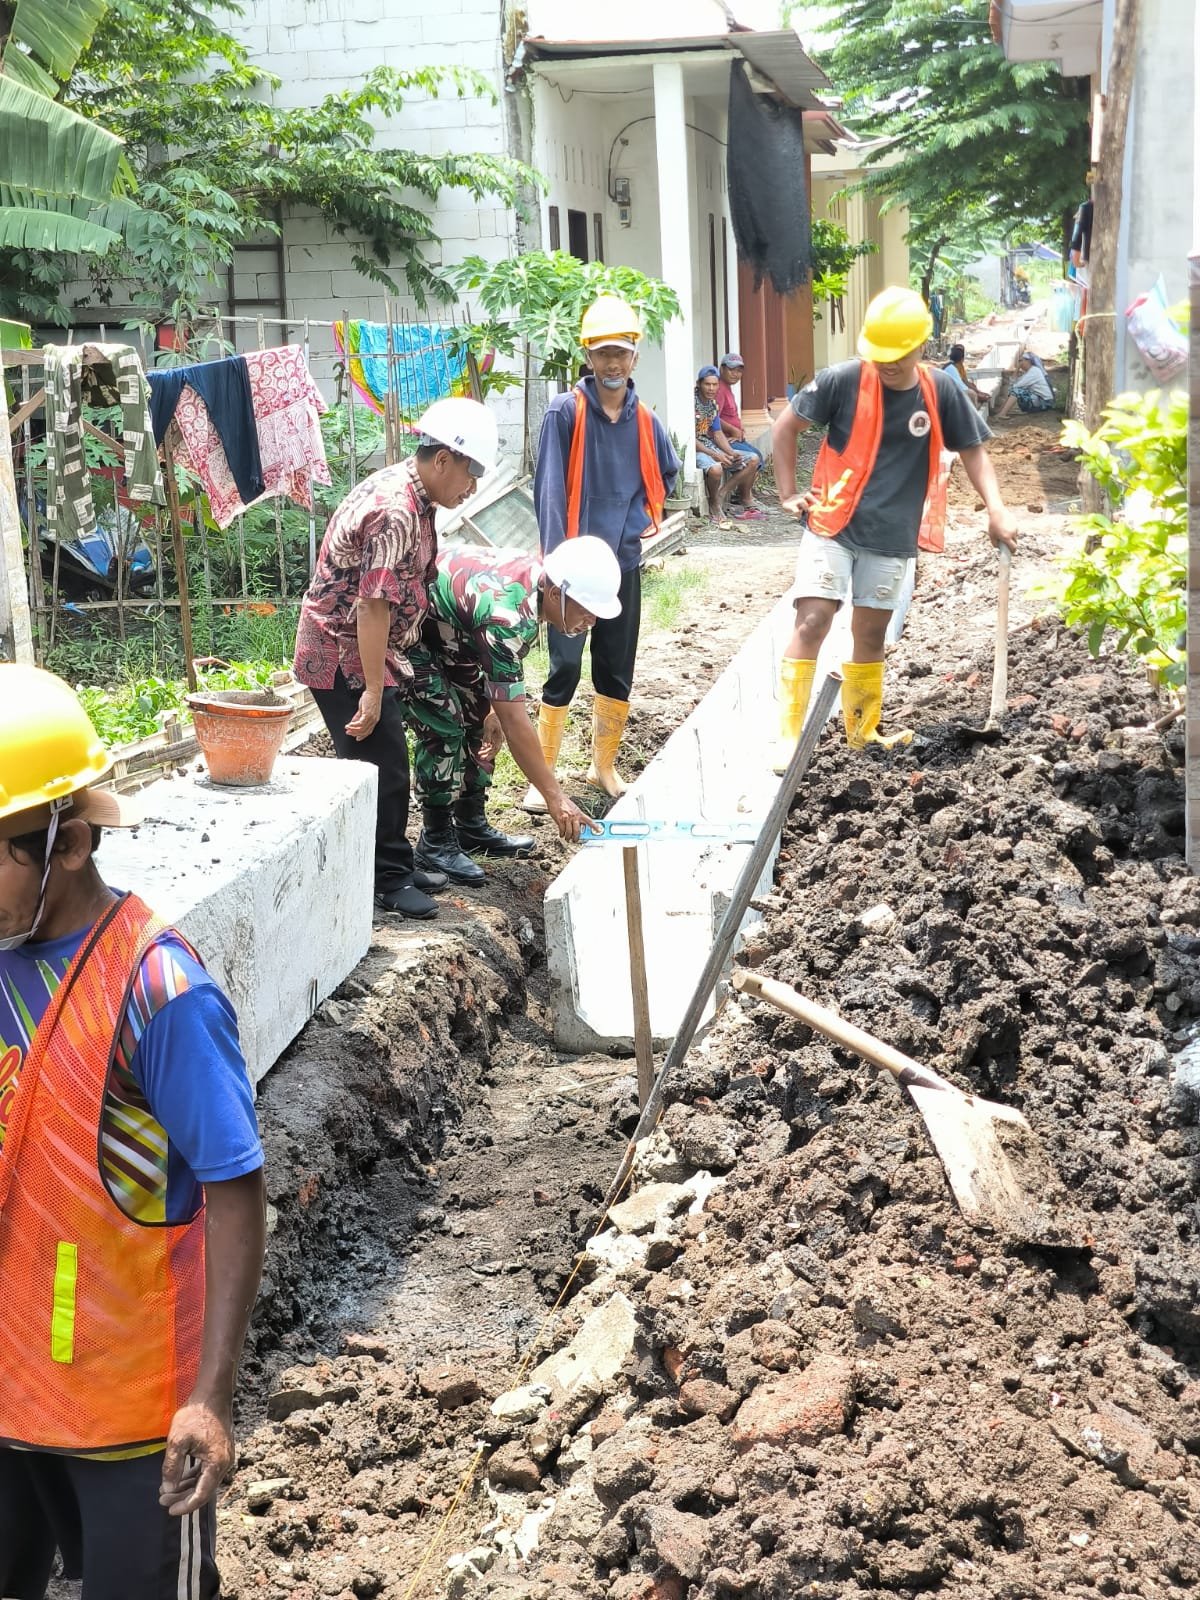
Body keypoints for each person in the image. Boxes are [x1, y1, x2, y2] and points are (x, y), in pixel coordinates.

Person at [0, 664, 266, 1600]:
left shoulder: (159, 992)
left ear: (66, 844)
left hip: (127, 1417)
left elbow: (235, 1186)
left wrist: (211, 1395)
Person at [770, 285, 1019, 765]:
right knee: (814, 619)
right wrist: (786, 493)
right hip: (831, 524)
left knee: (870, 635)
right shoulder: (843, 380)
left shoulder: (939, 389)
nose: (887, 364)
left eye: (898, 355)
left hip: (891, 536)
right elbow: (785, 428)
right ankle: (789, 735)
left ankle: (863, 735)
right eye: (879, 354)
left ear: (919, 347)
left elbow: (972, 449)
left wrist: (996, 508)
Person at [293, 396, 499, 920]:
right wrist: (371, 687)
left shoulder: (418, 497)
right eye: (470, 474)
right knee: (378, 766)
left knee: (385, 762)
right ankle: (385, 879)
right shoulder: (396, 510)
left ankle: (394, 863)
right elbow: (372, 604)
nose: (471, 487)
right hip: (344, 651)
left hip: (368, 646)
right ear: (444, 459)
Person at [529, 296, 680, 806]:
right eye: (602, 354)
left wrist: (635, 522)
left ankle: (603, 768)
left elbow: (668, 471)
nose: (612, 364)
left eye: (622, 353)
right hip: (572, 569)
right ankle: (543, 776)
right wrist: (554, 567)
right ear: (588, 357)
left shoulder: (645, 421)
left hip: (622, 565)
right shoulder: (564, 412)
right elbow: (549, 490)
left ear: (635, 356)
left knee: (616, 666)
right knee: (565, 666)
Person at [402, 537, 621, 881]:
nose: (591, 621)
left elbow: (498, 690)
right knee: (445, 723)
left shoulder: (535, 586)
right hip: (406, 634)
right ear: (556, 595)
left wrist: (490, 709)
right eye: (586, 609)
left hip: (450, 631)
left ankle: (470, 823)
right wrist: (555, 797)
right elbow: (517, 722)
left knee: (479, 715)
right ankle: (436, 840)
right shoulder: (509, 618)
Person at [695, 366, 759, 526]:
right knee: (716, 469)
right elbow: (690, 438)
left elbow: (717, 433)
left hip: (709, 445)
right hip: (696, 449)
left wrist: (730, 452)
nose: (711, 388)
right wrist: (715, 455)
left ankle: (722, 494)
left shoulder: (712, 405)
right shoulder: (691, 404)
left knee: (752, 459)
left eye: (714, 385)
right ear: (699, 384)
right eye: (707, 384)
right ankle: (713, 503)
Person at [716, 352, 765, 518]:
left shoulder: (727, 388)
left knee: (758, 456)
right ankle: (741, 496)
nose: (735, 374)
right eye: (731, 370)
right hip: (722, 439)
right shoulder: (719, 389)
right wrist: (733, 430)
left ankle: (745, 496)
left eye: (739, 371)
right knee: (754, 458)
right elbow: (714, 417)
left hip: (734, 437)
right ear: (722, 369)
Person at [995, 352, 1055, 418]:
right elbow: (1013, 384)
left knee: (1016, 391)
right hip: (1039, 400)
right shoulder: (1029, 372)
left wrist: (1017, 368)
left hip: (1044, 403)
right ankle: (1001, 411)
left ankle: (1002, 413)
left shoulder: (1034, 371)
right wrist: (1017, 369)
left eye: (1021, 361)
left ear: (1028, 361)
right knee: (1015, 390)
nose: (1020, 364)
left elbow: (1015, 386)